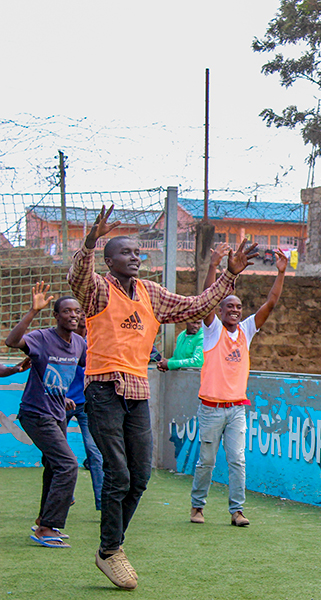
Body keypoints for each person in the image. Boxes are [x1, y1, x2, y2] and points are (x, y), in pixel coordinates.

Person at [69, 205, 258, 590]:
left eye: (138, 253)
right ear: (108, 260)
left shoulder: (150, 293)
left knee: (139, 477)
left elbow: (197, 306)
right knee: (117, 473)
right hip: (103, 388)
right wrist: (89, 242)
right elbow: (77, 277)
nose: (135, 258)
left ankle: (110, 548)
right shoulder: (97, 290)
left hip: (138, 391)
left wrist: (230, 274)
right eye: (126, 253)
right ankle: (111, 549)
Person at [189, 245, 289, 527]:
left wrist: (281, 273)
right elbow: (205, 299)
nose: (234, 310)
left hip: (236, 410)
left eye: (238, 307)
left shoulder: (246, 330)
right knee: (206, 461)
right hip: (210, 409)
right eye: (229, 306)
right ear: (219, 310)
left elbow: (270, 303)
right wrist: (214, 264)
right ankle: (198, 506)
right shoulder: (212, 330)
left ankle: (237, 511)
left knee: (237, 461)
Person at [4, 281, 86, 549]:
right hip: (36, 414)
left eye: (77, 311)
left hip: (58, 412)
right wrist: (31, 311)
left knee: (54, 466)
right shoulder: (42, 338)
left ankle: (43, 519)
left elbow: (86, 368)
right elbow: (12, 341)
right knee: (68, 465)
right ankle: (48, 527)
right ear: (56, 315)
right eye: (67, 311)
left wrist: (64, 398)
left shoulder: (79, 344)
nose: (73, 315)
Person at [64, 316, 103, 511]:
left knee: (94, 451)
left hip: (86, 404)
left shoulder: (91, 346)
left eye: (84, 327)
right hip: (61, 404)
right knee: (58, 454)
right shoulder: (62, 346)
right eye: (79, 327)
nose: (82, 330)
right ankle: (64, 496)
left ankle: (102, 503)